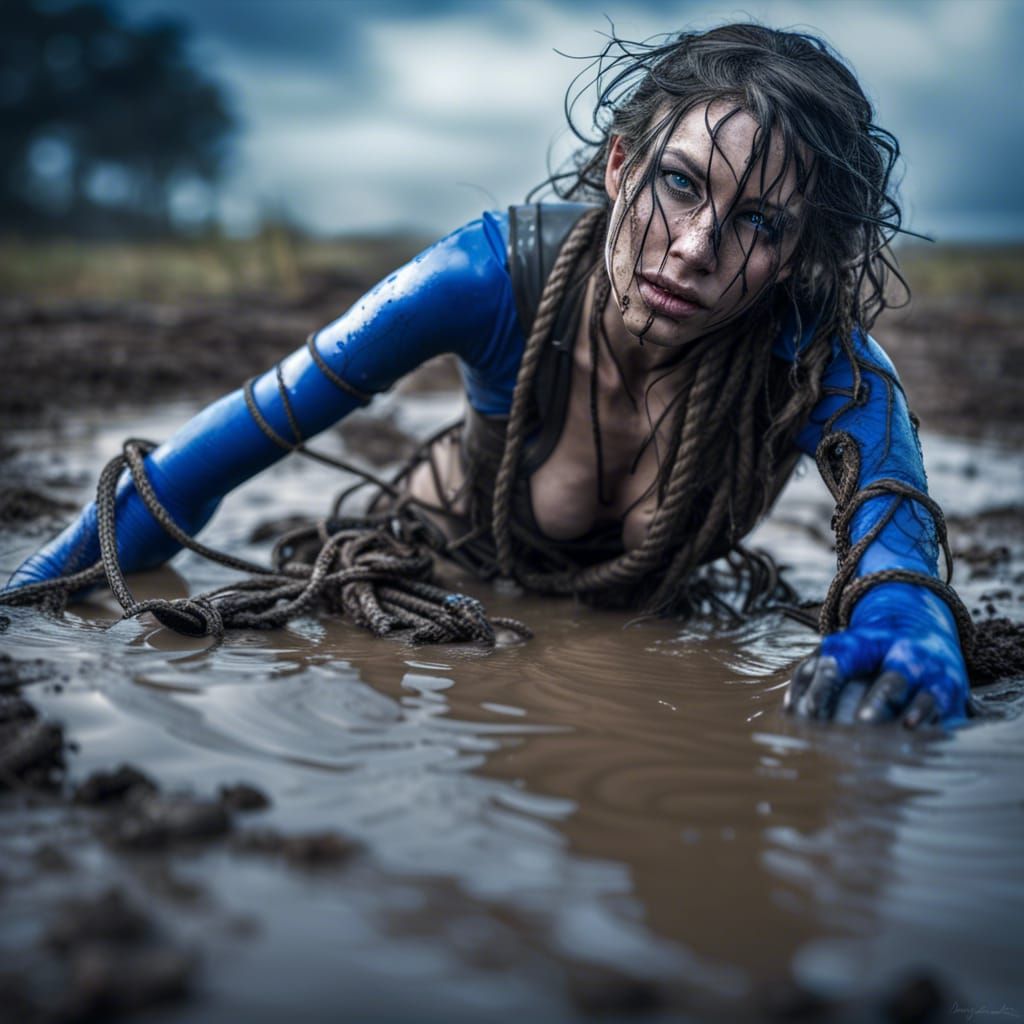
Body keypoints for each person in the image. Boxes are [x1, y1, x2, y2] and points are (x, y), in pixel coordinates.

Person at [2, 23, 973, 729]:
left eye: (759, 222)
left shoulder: (818, 359)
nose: (693, 247)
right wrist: (32, 599)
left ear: (799, 251)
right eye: (680, 183)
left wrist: (909, 635)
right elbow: (199, 469)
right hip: (429, 575)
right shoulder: (484, 276)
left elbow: (899, 556)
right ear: (620, 165)